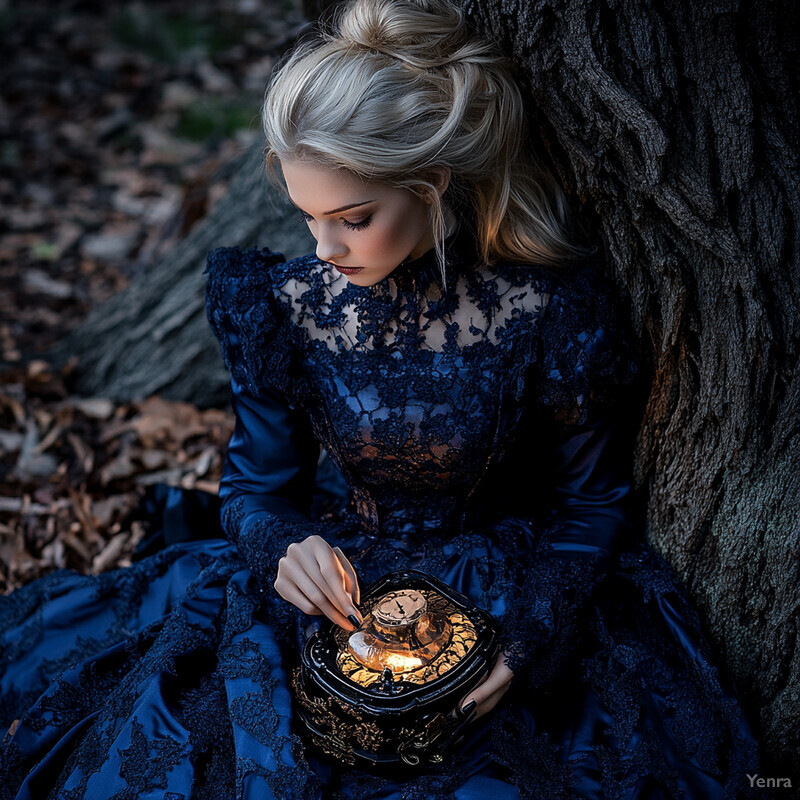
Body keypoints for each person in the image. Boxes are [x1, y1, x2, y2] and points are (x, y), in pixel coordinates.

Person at [0, 0, 767, 797]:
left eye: (354, 219)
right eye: (307, 219)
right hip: (335, 592)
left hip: (505, 589)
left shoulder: (546, 312)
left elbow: (592, 505)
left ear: (433, 186)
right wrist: (281, 546)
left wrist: (525, 645)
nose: (325, 250)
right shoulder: (283, 302)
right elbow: (258, 486)